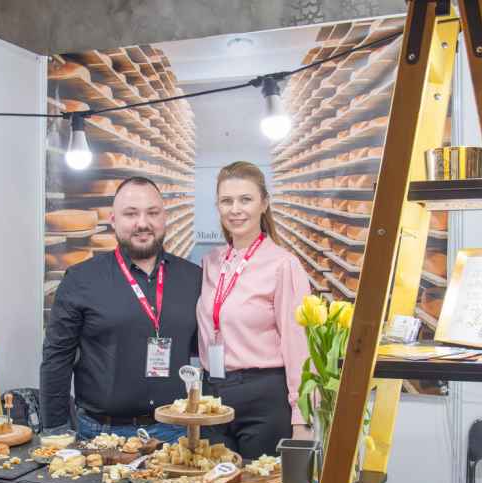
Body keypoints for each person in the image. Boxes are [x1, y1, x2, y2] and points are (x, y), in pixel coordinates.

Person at [40, 177, 201, 444]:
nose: (142, 223)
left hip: (176, 432)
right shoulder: (81, 279)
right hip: (101, 434)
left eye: (152, 213)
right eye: (131, 214)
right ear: (113, 220)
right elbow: (57, 357)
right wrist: (55, 430)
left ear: (165, 218)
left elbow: (205, 348)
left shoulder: (193, 278)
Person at [196, 161, 313, 459]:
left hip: (263, 398)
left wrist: (302, 418)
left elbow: (299, 346)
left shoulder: (283, 265)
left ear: (264, 203)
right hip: (212, 396)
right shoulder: (211, 262)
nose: (235, 209)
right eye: (227, 201)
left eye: (245, 199)